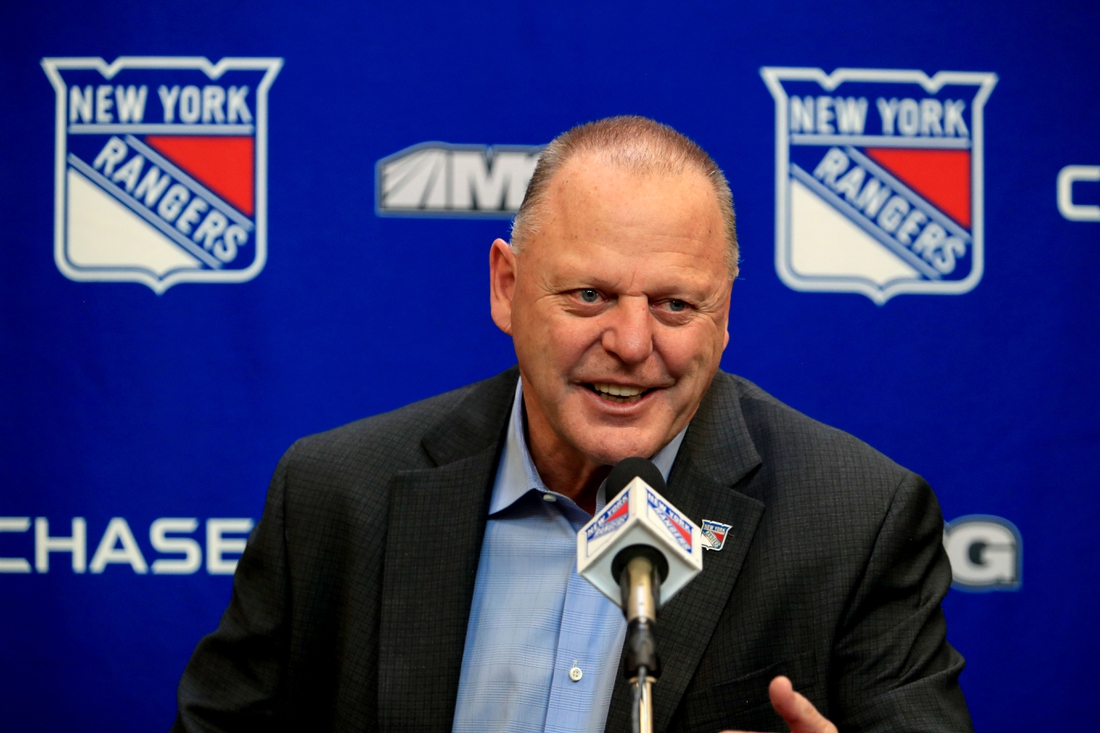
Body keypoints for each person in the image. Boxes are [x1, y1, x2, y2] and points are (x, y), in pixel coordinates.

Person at [173, 116, 971, 733]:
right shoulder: (335, 496)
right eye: (588, 295)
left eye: (674, 305)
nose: (630, 344)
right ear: (506, 287)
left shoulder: (857, 519)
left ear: (724, 318)